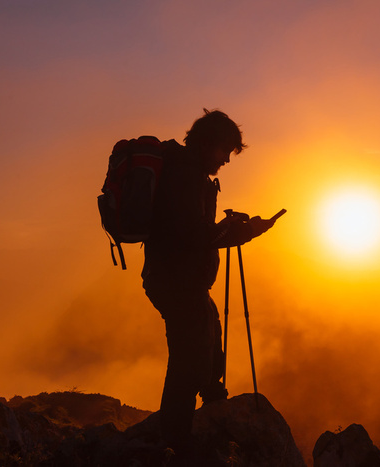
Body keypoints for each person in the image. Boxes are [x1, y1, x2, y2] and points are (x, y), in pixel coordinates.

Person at [141, 109, 276, 455]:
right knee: (186, 361)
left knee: (209, 329)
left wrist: (236, 230)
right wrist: (242, 232)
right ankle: (177, 445)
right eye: (226, 151)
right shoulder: (185, 176)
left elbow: (195, 233)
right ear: (208, 144)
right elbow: (194, 235)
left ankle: (211, 399)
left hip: (176, 280)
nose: (227, 160)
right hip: (177, 282)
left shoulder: (186, 172)